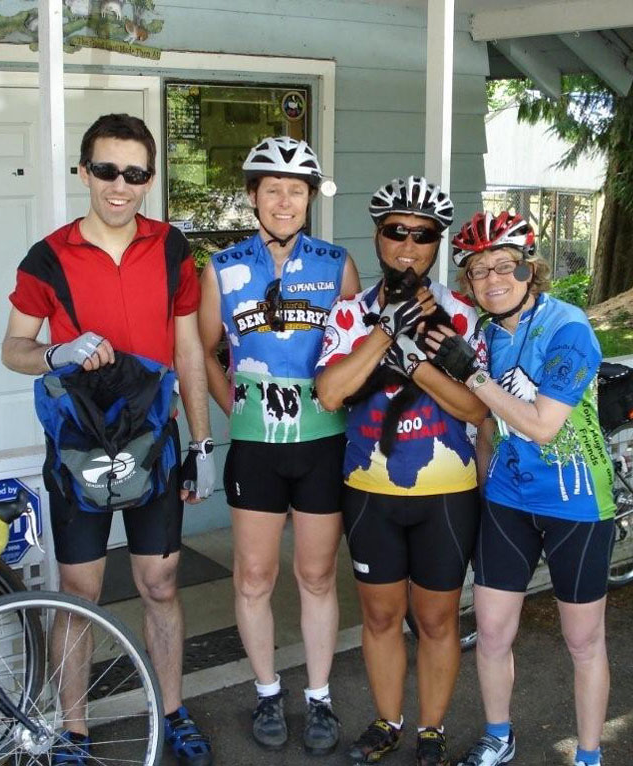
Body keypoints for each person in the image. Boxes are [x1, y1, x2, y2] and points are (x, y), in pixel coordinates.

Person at [1, 113, 216, 766]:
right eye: (106, 170)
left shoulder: (172, 248)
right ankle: (74, 731)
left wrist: (203, 444)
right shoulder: (48, 257)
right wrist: (56, 352)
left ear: (149, 179)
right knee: (79, 593)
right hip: (80, 446)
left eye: (134, 173)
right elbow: (13, 348)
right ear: (83, 172)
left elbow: (188, 349)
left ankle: (171, 712)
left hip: (154, 440)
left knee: (162, 582)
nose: (119, 186)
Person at [314, 176, 487, 766]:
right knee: (381, 616)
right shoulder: (349, 314)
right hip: (370, 492)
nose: (408, 246)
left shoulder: (461, 313)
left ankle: (431, 730)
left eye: (423, 235)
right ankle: (387, 721)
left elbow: (476, 409)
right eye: (397, 231)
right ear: (378, 236)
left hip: (446, 493)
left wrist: (417, 365)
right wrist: (387, 329)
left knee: (437, 620)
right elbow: (331, 393)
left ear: (437, 244)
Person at [198, 136, 360, 756]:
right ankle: (267, 691)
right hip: (256, 449)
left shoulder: (337, 264)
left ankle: (319, 696)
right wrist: (234, 410)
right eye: (273, 190)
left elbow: (353, 353)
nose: (285, 201)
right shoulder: (222, 267)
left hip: (322, 443)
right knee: (254, 576)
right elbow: (203, 350)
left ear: (310, 198)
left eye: (296, 190)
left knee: (316, 575)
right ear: (252, 196)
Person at [436, 211, 616, 766]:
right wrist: (481, 486)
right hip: (508, 500)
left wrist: (473, 377)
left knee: (582, 640)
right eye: (478, 270)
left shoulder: (568, 327)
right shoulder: (487, 335)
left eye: (504, 266)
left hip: (575, 502)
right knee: (491, 632)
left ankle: (588, 754)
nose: (492, 279)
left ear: (528, 270)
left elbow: (542, 425)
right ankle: (498, 735)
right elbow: (489, 425)